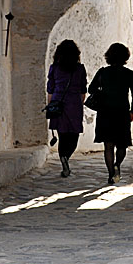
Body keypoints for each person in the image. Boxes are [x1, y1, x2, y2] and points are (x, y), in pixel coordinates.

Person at [88, 43, 133, 184]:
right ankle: (117, 165)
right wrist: (132, 111)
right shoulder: (129, 73)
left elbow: (91, 89)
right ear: (125, 57)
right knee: (122, 145)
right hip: (122, 112)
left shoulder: (103, 72)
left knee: (108, 146)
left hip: (105, 112)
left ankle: (111, 174)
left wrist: (103, 92)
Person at [47, 40, 87, 178]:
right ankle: (66, 157)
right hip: (74, 102)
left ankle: (63, 157)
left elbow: (50, 89)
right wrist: (78, 104)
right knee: (74, 135)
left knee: (62, 135)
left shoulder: (54, 68)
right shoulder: (80, 69)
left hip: (58, 101)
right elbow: (83, 89)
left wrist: (51, 105)